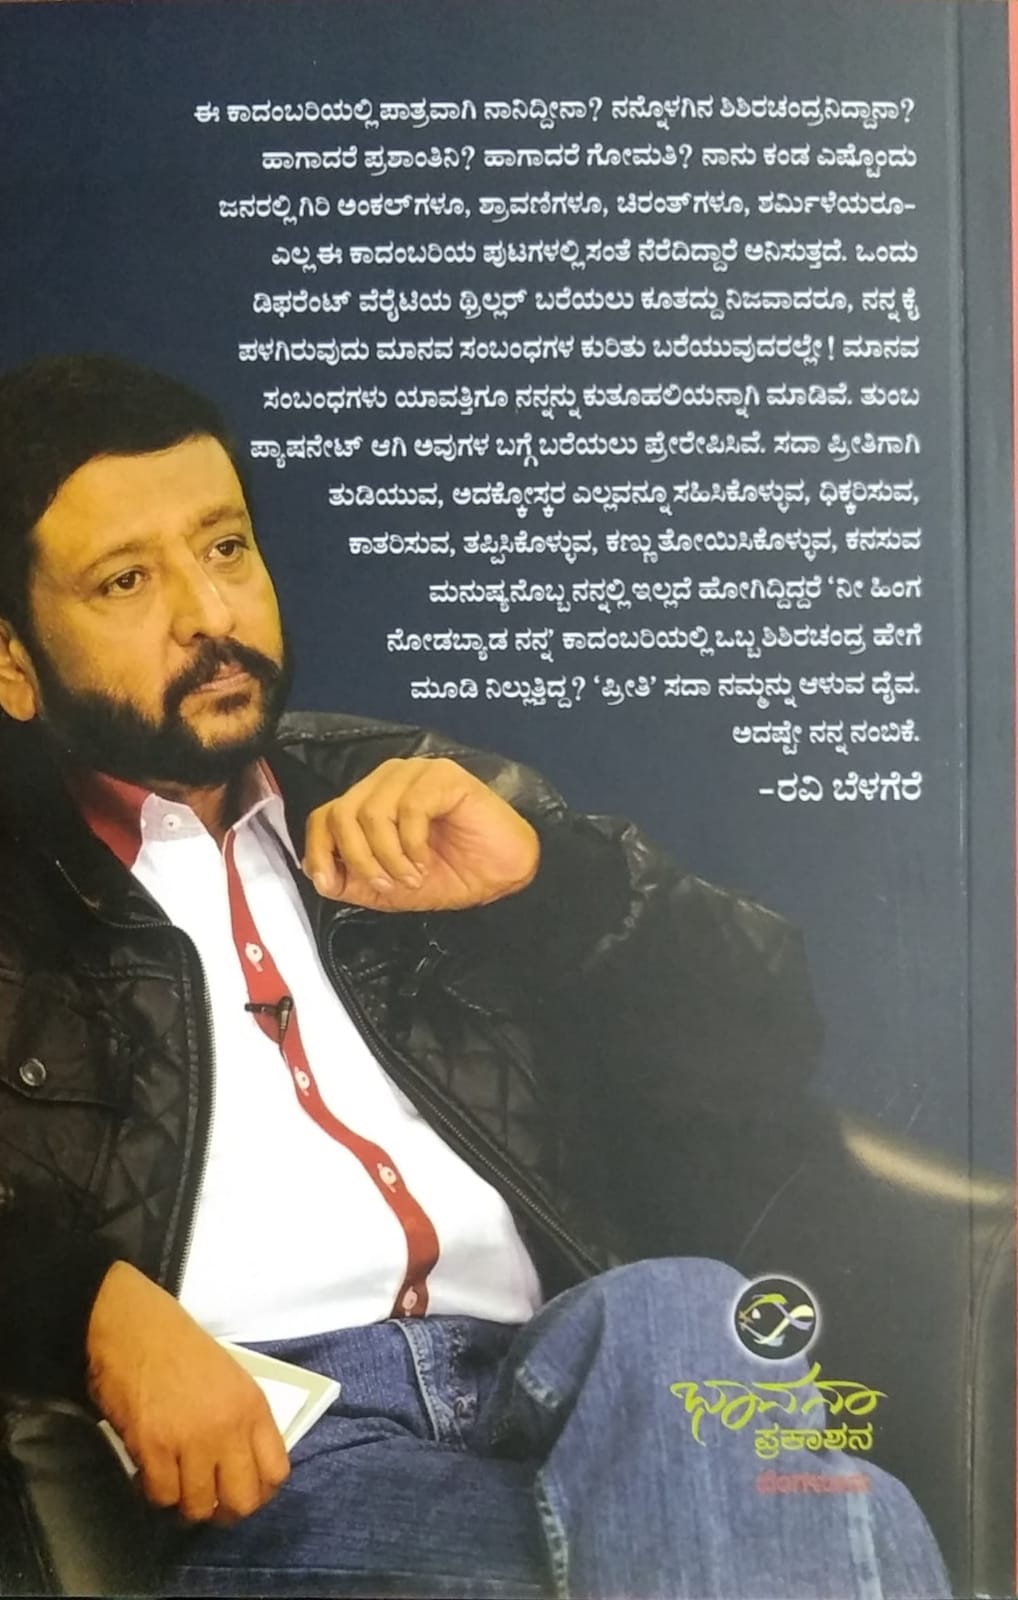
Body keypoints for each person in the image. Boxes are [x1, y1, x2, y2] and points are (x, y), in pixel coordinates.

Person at [0, 355, 949, 1598]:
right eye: (127, 580)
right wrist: (85, 1303)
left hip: (575, 1380)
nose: (208, 612)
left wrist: (552, 884)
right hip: (288, 1463)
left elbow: (767, 1034)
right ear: (12, 662)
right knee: (853, 1529)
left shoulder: (407, 787)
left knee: (683, 1306)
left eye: (226, 548)